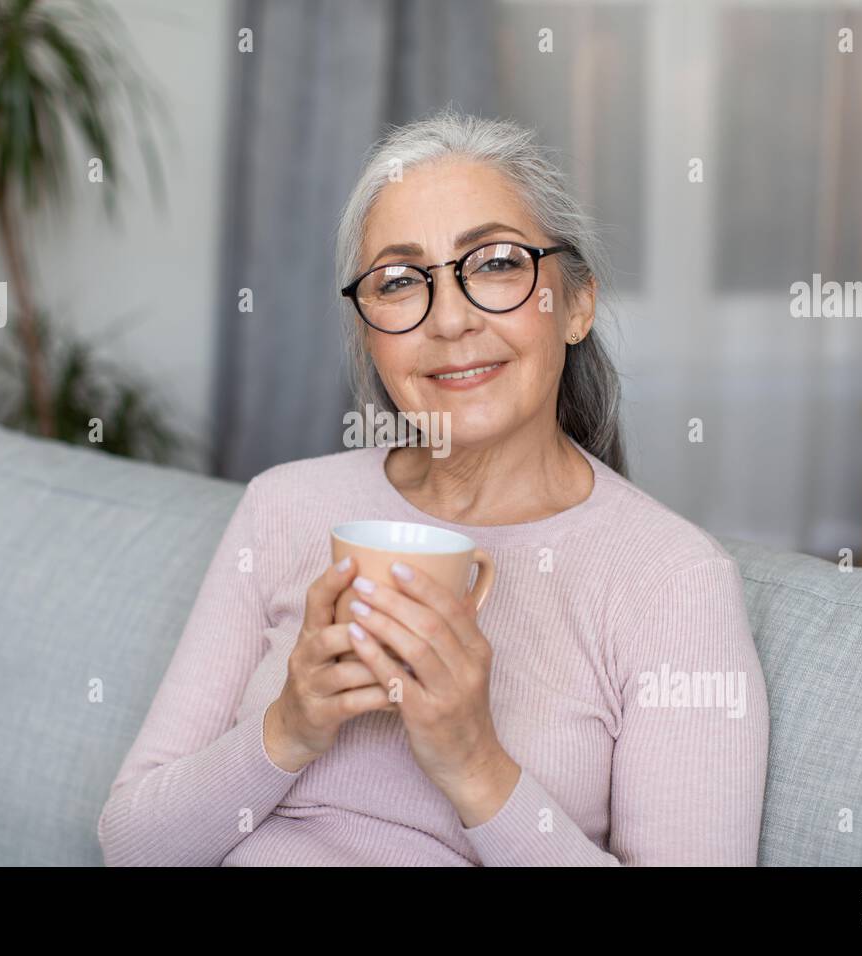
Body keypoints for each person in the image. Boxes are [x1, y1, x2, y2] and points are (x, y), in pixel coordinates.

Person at [98, 106, 769, 866]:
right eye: (398, 281)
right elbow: (132, 847)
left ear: (577, 303)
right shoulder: (282, 507)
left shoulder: (674, 583)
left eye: (495, 264)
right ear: (368, 335)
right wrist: (288, 728)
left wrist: (474, 765)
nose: (449, 319)